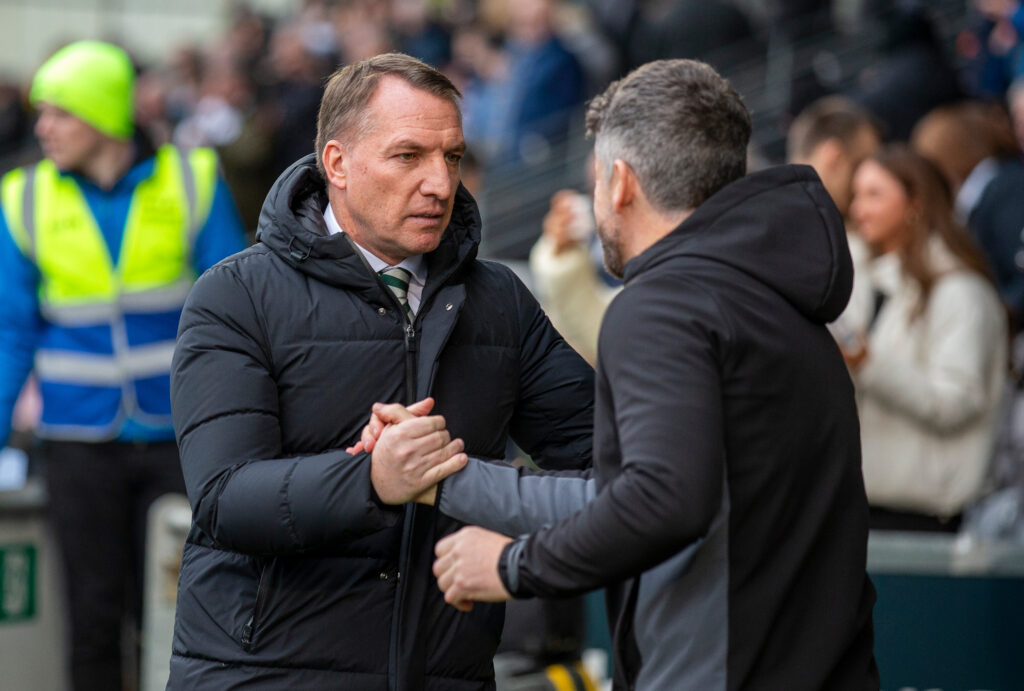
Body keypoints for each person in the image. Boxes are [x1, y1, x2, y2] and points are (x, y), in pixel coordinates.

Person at [426, 59, 879, 690]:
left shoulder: (663, 305)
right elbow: (641, 491)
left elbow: (661, 501)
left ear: (619, 184)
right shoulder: (775, 295)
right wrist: (450, 481)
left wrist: (511, 566)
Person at [167, 53, 593, 688]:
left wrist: (515, 553)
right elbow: (224, 499)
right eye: (408, 156)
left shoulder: (500, 300)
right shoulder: (237, 295)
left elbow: (607, 462)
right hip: (265, 674)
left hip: (446, 671)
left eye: (451, 157)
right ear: (336, 164)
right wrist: (369, 479)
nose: (441, 183)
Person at [0, 41, 246, 691]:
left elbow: (237, 314)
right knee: (92, 616)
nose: (43, 128)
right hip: (77, 445)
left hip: (180, 439)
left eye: (59, 113)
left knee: (187, 613)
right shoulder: (21, 198)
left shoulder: (193, 178)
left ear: (103, 115)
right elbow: (7, 335)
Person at [843, 145, 1007, 531]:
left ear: (915, 200)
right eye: (855, 195)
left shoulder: (962, 293)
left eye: (873, 194)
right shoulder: (860, 279)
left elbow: (954, 402)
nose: (857, 209)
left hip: (924, 519)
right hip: (865, 505)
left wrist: (867, 363)